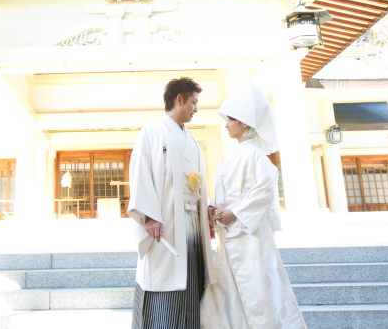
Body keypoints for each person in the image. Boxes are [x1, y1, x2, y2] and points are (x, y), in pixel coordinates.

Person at [201, 77, 306, 329]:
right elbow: (228, 192)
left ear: (245, 123)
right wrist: (213, 206)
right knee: (230, 290)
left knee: (256, 289)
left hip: (250, 236)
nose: (227, 125)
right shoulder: (235, 154)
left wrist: (235, 212)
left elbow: (264, 191)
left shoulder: (256, 154)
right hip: (231, 235)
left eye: (231, 120)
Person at [128, 77, 216, 329]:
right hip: (165, 223)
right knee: (164, 280)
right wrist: (150, 216)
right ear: (179, 100)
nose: (196, 109)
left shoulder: (192, 141)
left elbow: (198, 186)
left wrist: (204, 216)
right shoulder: (152, 133)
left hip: (191, 224)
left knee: (191, 280)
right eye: (194, 102)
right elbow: (140, 175)